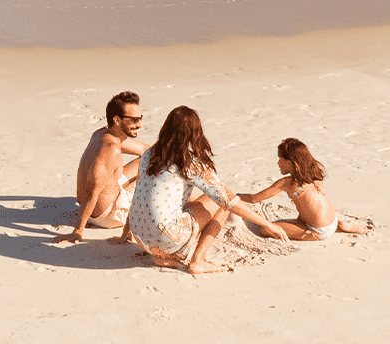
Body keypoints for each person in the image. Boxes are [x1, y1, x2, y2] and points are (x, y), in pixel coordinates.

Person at [128, 105, 287, 274]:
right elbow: (227, 199)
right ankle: (198, 261)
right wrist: (267, 224)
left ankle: (166, 256)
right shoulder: (188, 162)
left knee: (195, 200)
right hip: (166, 236)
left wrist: (126, 232)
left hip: (139, 235)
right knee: (220, 201)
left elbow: (141, 192)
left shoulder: (149, 154)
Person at [53, 91, 148, 243]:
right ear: (117, 120)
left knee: (149, 160)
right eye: (135, 120)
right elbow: (93, 191)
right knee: (160, 177)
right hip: (108, 216)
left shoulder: (102, 133)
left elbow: (146, 151)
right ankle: (194, 202)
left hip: (99, 204)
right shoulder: (111, 149)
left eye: (141, 118)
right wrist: (78, 231)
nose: (140, 125)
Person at [240, 137, 372, 241]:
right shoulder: (314, 174)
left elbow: (254, 198)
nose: (278, 163)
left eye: (280, 159)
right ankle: (340, 225)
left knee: (267, 229)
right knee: (301, 215)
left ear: (291, 162)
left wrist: (235, 195)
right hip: (332, 220)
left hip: (319, 231)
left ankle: (324, 231)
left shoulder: (287, 182)